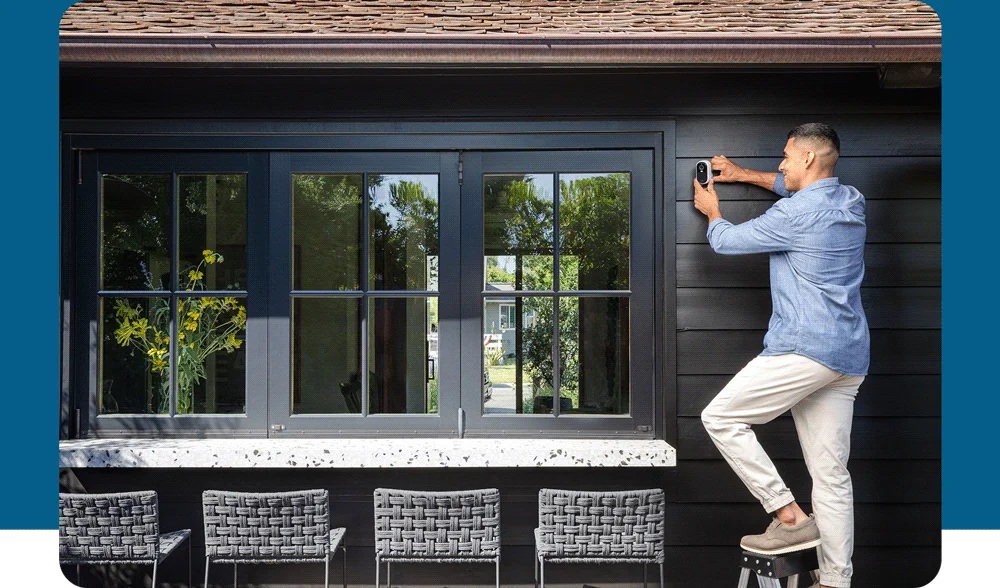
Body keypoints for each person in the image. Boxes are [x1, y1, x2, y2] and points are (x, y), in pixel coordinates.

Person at [692, 123, 870, 588]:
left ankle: (789, 516)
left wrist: (713, 210)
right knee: (831, 477)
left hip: (804, 348)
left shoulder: (793, 217)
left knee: (722, 418)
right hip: (847, 358)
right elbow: (784, 186)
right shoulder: (851, 201)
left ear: (810, 159)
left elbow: (726, 241)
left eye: (788, 156)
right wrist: (741, 173)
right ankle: (834, 581)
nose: (782, 164)